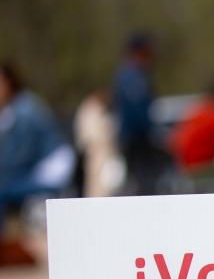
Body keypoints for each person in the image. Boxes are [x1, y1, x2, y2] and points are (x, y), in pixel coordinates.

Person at [0, 61, 74, 262]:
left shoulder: (25, 110)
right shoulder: (13, 110)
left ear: (9, 82)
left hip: (49, 170)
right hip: (39, 168)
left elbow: (21, 155)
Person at [112, 33, 169, 195]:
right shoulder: (131, 77)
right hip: (137, 142)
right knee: (143, 186)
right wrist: (156, 135)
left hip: (140, 142)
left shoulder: (139, 75)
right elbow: (137, 115)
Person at [74, 88, 124, 197]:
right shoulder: (89, 111)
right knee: (96, 187)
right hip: (95, 157)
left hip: (106, 157)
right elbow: (89, 138)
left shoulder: (101, 110)